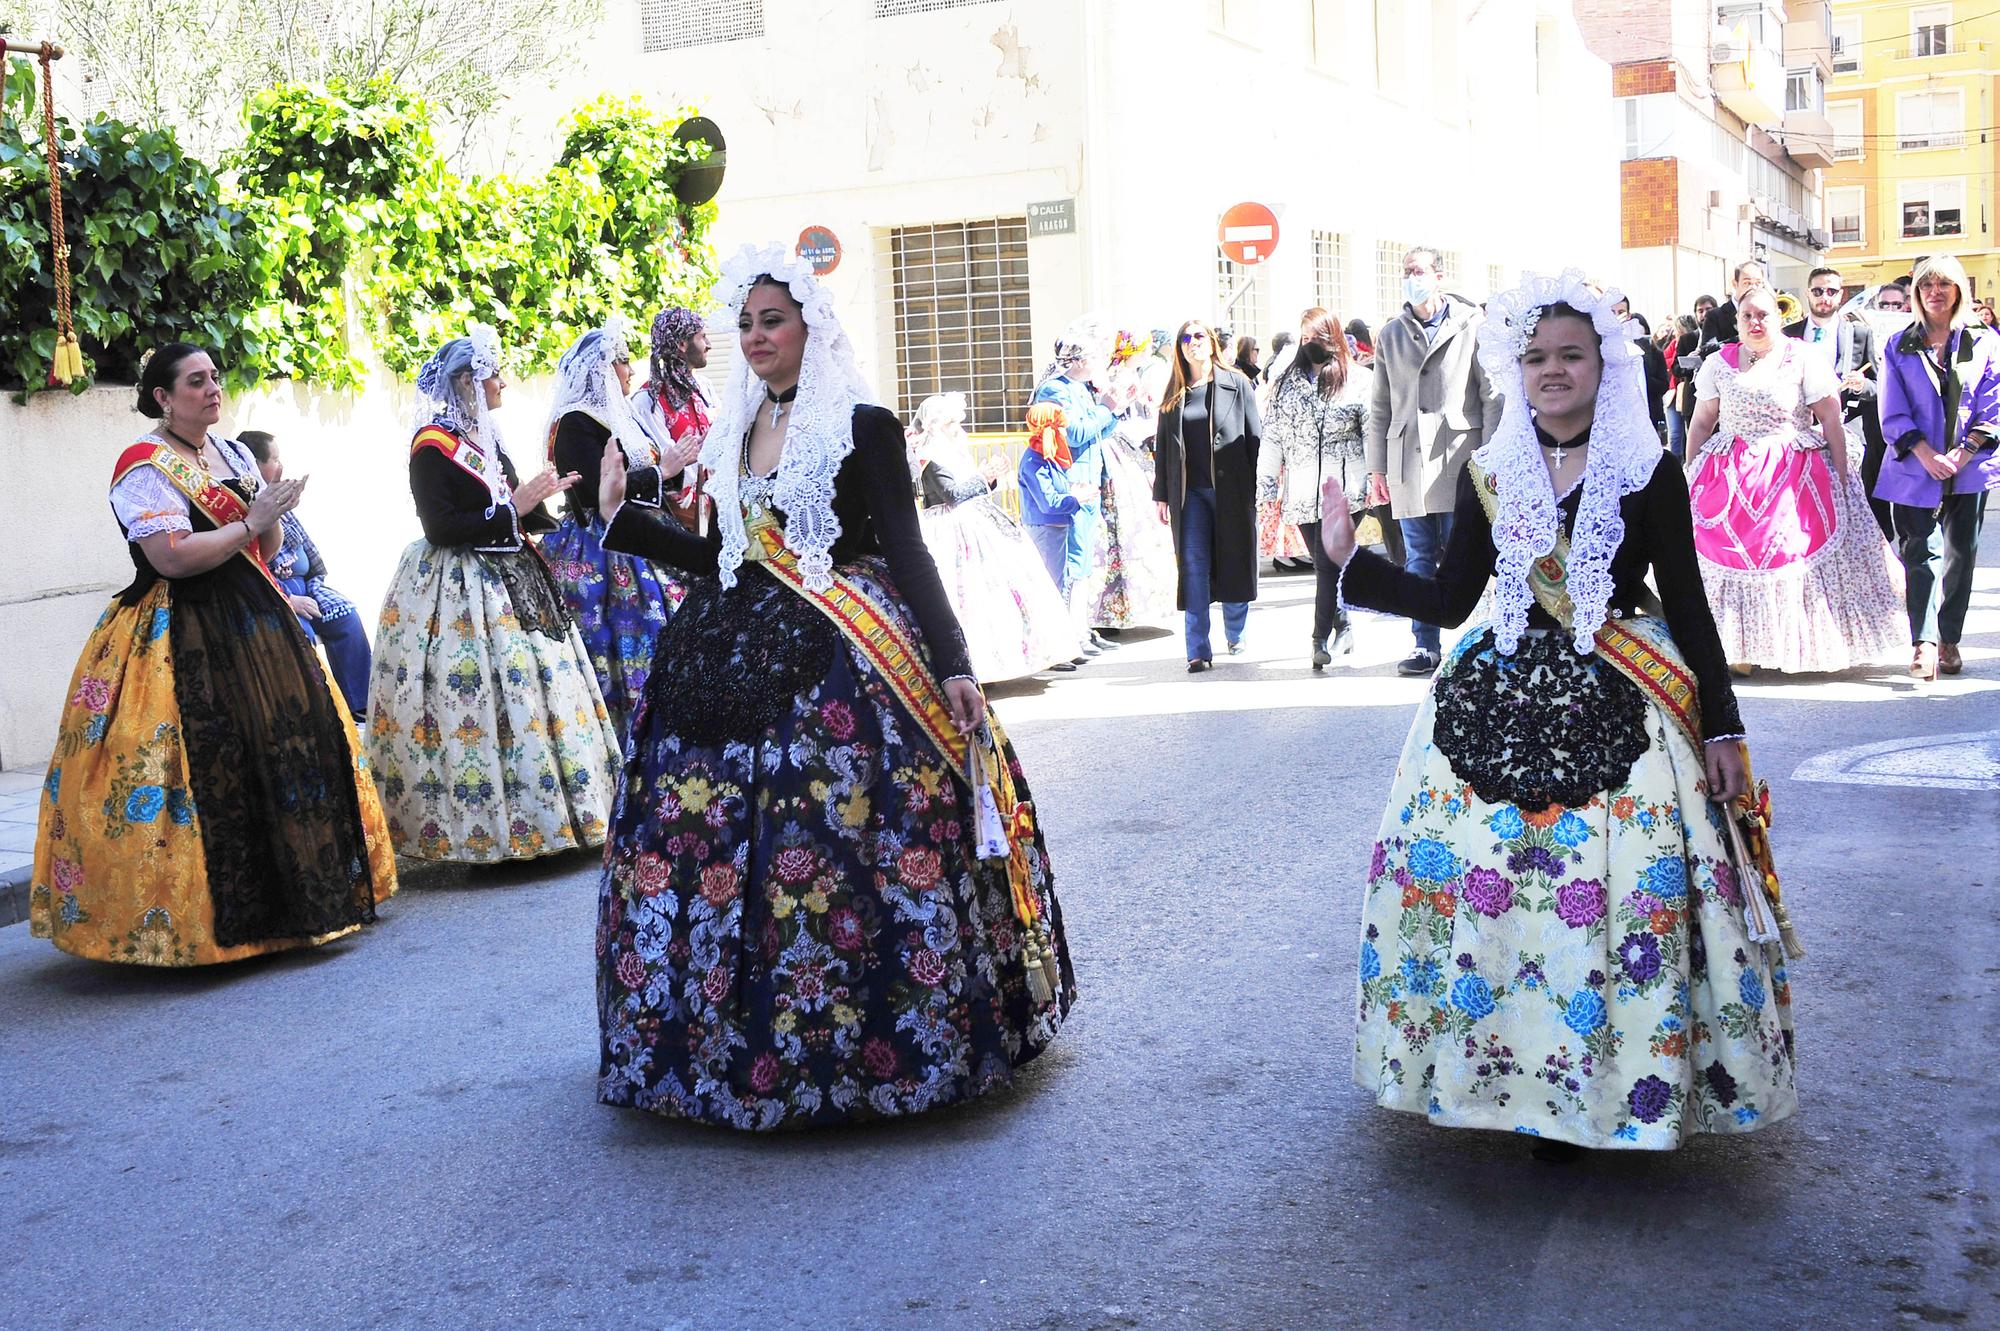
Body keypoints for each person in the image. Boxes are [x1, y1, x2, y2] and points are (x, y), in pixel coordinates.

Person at [591, 242, 1074, 1129]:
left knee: (836, 830)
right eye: (743, 323)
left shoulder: (865, 425)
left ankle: (861, 1043)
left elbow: (908, 547)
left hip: (847, 651)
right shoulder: (737, 432)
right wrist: (627, 522)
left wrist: (954, 660)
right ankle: (714, 1044)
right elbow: (720, 557)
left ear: (810, 325)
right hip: (730, 642)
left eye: (771, 320)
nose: (755, 337)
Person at [1318, 271, 1797, 1155]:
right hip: (1493, 699)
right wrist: (1353, 561)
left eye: (1570, 354)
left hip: (1624, 694)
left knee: (1615, 900)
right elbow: (1454, 596)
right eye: (1535, 356)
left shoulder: (1647, 471)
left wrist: (1724, 727)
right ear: (1516, 367)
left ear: (1603, 364)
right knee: (1492, 897)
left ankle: (1607, 1081)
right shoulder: (1490, 470)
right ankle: (1502, 1075)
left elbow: (1688, 607)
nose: (1552, 370)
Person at [30, 343, 397, 965]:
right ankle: (208, 925)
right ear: (163, 398)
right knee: (207, 762)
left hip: (257, 620)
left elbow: (266, 542)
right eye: (195, 382)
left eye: (214, 378)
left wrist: (274, 510)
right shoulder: (143, 465)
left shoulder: (232, 454)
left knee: (288, 746)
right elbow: (171, 557)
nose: (211, 389)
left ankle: (298, 905)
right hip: (178, 627)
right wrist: (251, 523)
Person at [366, 324, 624, 863]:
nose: (502, 383)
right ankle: (494, 831)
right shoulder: (432, 445)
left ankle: (559, 818)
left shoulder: (486, 437)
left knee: (537, 694)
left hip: (514, 574)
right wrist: (512, 507)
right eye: (493, 374)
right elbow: (441, 526)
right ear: (466, 382)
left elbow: (513, 500)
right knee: (480, 700)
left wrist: (540, 502)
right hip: (460, 586)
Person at [1684, 285, 1904, 673]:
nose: (1755, 322)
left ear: (1780, 318)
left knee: (1793, 555)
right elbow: (1702, 421)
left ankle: (1800, 647)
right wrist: (1690, 471)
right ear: (1736, 320)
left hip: (1793, 472)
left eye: (1763, 315)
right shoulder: (1719, 362)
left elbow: (1831, 420)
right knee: (1723, 554)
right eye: (1747, 315)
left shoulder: (1802, 357)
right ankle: (1738, 648)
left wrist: (1841, 475)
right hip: (1731, 472)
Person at [542, 318, 701, 739]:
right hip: (601, 546)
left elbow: (650, 475)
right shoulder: (576, 421)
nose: (630, 370)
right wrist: (661, 470)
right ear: (601, 369)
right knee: (619, 638)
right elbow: (596, 494)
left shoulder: (617, 416)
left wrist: (671, 471)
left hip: (639, 529)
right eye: (622, 361)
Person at [1365, 245, 1503, 677]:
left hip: (1461, 456)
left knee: (1467, 552)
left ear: (1439, 276)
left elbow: (1492, 395)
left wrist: (1494, 456)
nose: (1411, 277)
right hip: (1408, 458)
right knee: (1418, 556)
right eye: (1406, 271)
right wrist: (1377, 468)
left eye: (1419, 270)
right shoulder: (1391, 334)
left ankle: (1477, 639)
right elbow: (1380, 405)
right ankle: (1424, 644)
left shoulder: (1472, 326)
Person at [1875, 253, 2000, 680]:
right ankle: (1923, 642)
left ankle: (1949, 638)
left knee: (1961, 555)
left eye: (1943, 284)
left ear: (1958, 290)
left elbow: (1994, 403)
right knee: (1920, 554)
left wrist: (1962, 454)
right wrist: (1928, 454)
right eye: (1926, 285)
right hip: (1914, 465)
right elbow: (1892, 411)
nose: (1934, 292)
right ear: (1916, 293)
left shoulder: (1984, 341)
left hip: (1970, 467)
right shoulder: (1898, 344)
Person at [909, 391, 1079, 678]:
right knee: (967, 594)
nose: (957, 429)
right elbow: (952, 495)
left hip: (976, 522)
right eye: (951, 423)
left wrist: (987, 479)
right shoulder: (928, 458)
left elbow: (971, 489)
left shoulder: (951, 453)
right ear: (936, 425)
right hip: (950, 530)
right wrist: (983, 477)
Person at [1259, 307, 1371, 669]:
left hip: (1345, 489)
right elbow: (1273, 435)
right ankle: (1345, 627)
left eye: (1317, 338)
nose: (1310, 345)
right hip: (1302, 492)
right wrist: (1266, 483)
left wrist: (1375, 479)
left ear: (1333, 339)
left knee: (1326, 566)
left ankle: (1318, 639)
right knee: (1330, 566)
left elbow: (1371, 432)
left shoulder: (1358, 381)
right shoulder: (1286, 384)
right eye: (1304, 338)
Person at [239, 429, 373, 717]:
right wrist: (289, 599)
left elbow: (305, 552)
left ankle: (359, 705)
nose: (280, 465)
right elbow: (251, 564)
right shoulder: (248, 506)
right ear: (255, 464)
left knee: (346, 616)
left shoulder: (280, 503)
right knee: (302, 632)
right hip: (274, 592)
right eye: (274, 458)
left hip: (306, 586)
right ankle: (318, 713)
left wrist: (313, 584)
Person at [1154, 319, 1261, 671]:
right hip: (1191, 495)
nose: (1192, 342)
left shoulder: (1237, 384)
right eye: (1185, 338)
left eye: (1199, 336)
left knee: (1234, 560)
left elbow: (1254, 439)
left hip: (1231, 490)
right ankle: (1197, 649)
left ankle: (1236, 633)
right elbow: (1164, 452)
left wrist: (1258, 489)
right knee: (1194, 568)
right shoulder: (1173, 396)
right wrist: (1162, 494)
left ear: (1212, 343)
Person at [1026, 321, 1119, 657]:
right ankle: (1069, 634)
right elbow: (1075, 434)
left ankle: (1081, 629)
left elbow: (1097, 431)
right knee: (1071, 563)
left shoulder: (1080, 389)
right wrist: (1105, 407)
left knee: (1083, 563)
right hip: (1070, 485)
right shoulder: (1056, 390)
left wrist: (1114, 408)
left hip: (1088, 481)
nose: (1100, 362)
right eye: (1095, 356)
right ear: (1079, 360)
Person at [1784, 266, 1891, 543]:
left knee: (1847, 497)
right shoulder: (1788, 334)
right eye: (1818, 291)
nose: (1824, 297)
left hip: (1847, 427)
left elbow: (1879, 387)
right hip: (1800, 429)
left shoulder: (1859, 333)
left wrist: (1861, 384)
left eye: (1831, 291)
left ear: (1841, 295)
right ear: (1808, 293)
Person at [1091, 329, 1180, 627]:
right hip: (1120, 447)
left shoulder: (1120, 373)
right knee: (1128, 520)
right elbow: (1124, 415)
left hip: (1125, 447)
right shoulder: (1122, 376)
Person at [629, 305, 713, 528]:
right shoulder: (648, 401)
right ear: (682, 344)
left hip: (717, 508)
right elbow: (662, 461)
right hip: (679, 519)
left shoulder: (704, 388)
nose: (709, 345)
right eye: (702, 337)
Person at [1612, 299, 1669, 442]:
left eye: (1621, 312)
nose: (1617, 317)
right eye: (1612, 313)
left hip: (1647, 414)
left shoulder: (1649, 349)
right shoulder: (1599, 347)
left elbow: (1662, 383)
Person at [1700, 259, 1769, 353]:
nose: (1753, 288)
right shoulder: (1715, 315)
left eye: (1758, 283)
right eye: (1747, 283)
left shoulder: (1768, 313)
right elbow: (1706, 350)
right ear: (1735, 284)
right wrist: (1740, 338)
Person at [1666, 312, 1704, 460]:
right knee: (1676, 434)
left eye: (1678, 329)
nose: (1675, 333)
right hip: (1677, 393)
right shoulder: (1675, 343)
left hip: (1693, 392)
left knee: (1692, 434)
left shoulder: (1694, 339)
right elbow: (1671, 364)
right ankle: (1680, 464)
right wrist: (1687, 362)